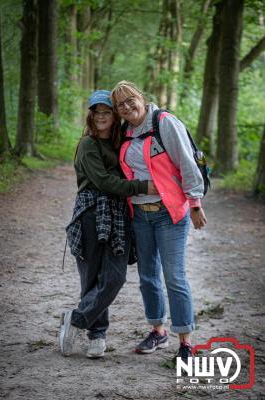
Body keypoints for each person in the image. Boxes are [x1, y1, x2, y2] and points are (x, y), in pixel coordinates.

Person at [111, 81, 207, 361]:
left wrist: (195, 203)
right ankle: (158, 331)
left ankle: (185, 342)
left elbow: (187, 164)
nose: (128, 107)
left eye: (130, 100)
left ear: (140, 97)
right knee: (147, 277)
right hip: (139, 215)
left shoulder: (164, 122)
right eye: (121, 105)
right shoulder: (124, 132)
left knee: (174, 277)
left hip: (169, 214)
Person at [59, 89, 157, 358]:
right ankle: (97, 335)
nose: (101, 116)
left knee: (115, 277)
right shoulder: (88, 145)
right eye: (96, 112)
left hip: (119, 212)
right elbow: (103, 182)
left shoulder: (122, 141)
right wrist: (142, 186)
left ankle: (76, 319)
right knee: (90, 278)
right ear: (91, 116)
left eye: (106, 112)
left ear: (115, 116)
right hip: (91, 210)